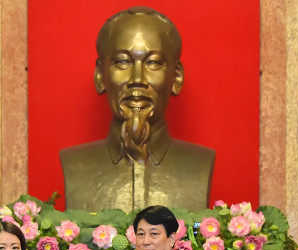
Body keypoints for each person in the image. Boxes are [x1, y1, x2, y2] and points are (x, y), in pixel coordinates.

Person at [61, 6, 214, 212]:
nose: (137, 80)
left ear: (176, 77)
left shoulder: (199, 164)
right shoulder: (75, 165)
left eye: (153, 63)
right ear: (100, 75)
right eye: (123, 62)